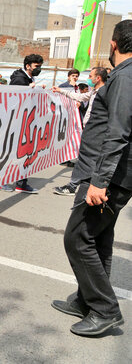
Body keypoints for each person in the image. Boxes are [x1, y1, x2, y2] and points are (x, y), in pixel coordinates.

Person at [51, 19, 132, 337]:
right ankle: (87, 300)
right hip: (106, 173)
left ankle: (105, 309)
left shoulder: (125, 77)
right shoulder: (123, 77)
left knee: (77, 237)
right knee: (99, 239)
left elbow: (117, 132)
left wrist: (99, 182)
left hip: (107, 176)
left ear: (113, 45)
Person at [51, 67, 108, 196]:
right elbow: (80, 96)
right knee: (89, 159)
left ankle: (73, 186)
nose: (88, 79)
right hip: (90, 130)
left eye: (90, 76)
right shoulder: (95, 91)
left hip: (95, 132)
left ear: (98, 78)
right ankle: (85, 185)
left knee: (83, 159)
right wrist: (61, 91)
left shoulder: (104, 93)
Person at [3, 53, 45, 193]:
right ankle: (13, 181)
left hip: (24, 122)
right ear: (28, 66)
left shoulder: (28, 79)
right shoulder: (20, 80)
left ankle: (21, 182)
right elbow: (16, 100)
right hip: (17, 123)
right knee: (16, 153)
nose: (39, 69)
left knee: (23, 153)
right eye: (36, 66)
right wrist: (29, 89)